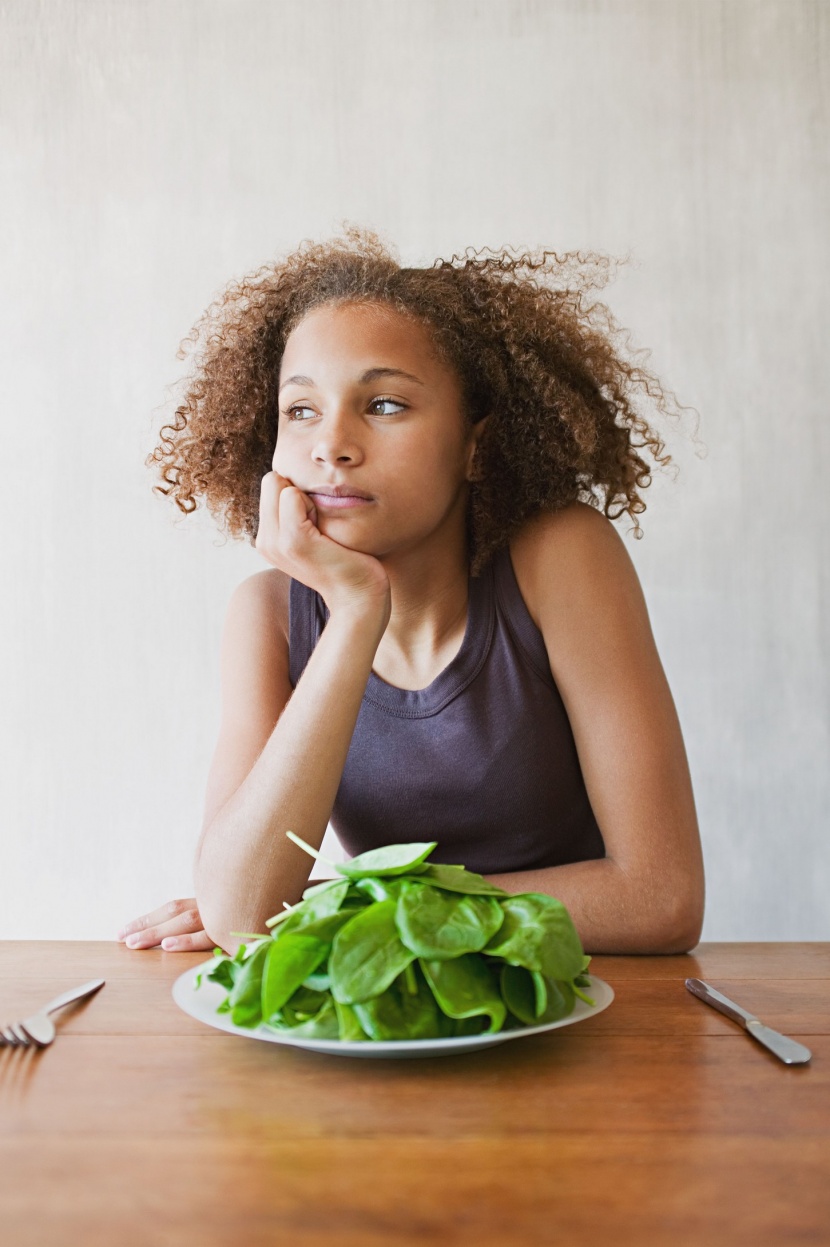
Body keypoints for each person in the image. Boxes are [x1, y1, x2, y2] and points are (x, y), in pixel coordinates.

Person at [117, 226, 705, 959]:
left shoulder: (562, 557)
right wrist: (357, 612)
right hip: (393, 1026)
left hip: (583, 1009)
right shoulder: (268, 614)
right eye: (300, 410)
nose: (332, 444)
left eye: (386, 404)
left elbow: (662, 895)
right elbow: (239, 915)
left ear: (474, 445)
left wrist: (354, 907)